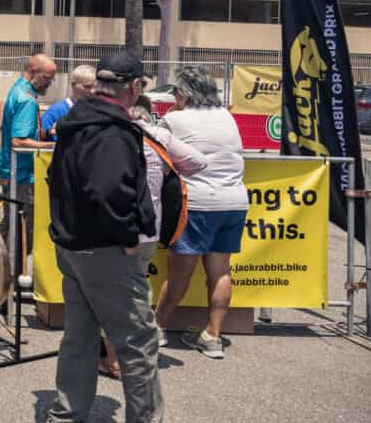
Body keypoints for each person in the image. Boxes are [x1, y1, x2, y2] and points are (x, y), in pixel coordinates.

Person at [46, 53, 162, 423]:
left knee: (79, 339)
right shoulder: (112, 130)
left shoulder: (75, 121)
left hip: (72, 245)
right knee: (138, 343)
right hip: (104, 249)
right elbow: (110, 191)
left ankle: (66, 414)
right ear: (134, 87)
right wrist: (128, 236)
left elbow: (60, 182)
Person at [99, 95, 208, 379]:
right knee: (136, 294)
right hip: (150, 228)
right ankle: (138, 354)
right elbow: (197, 162)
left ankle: (114, 360)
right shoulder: (158, 135)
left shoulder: (111, 133)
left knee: (115, 296)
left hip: (116, 228)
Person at [154, 65, 247, 360]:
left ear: (183, 94)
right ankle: (213, 336)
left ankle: (156, 329)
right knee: (220, 270)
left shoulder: (174, 118)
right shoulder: (226, 115)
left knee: (180, 272)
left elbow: (155, 150)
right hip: (234, 200)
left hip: (197, 202)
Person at [0, 53, 57, 252]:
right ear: (33, 72)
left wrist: (45, 133)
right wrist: (52, 147)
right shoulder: (27, 100)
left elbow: (22, 132)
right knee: (22, 233)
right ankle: (7, 274)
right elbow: (19, 140)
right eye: (47, 78)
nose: (50, 83)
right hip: (21, 175)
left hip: (14, 170)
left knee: (11, 224)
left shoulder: (18, 90)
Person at [40, 64, 97, 139]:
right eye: (87, 87)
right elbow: (40, 139)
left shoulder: (98, 112)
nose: (93, 91)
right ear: (73, 85)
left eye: (96, 87)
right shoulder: (55, 112)